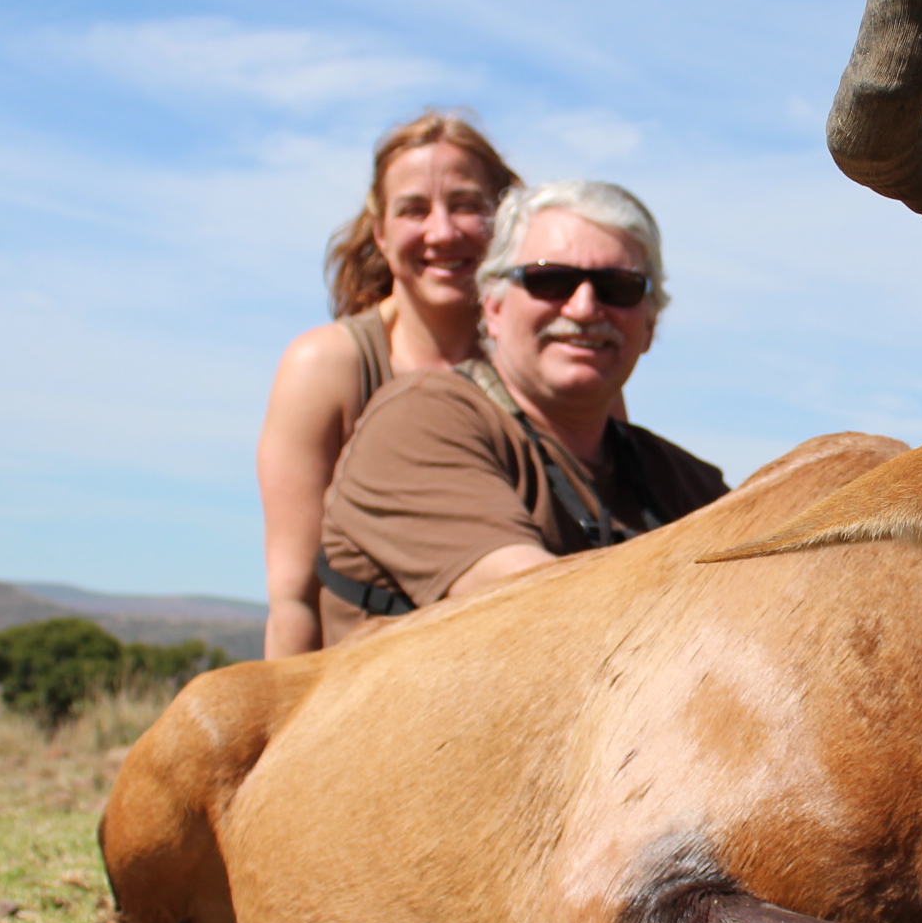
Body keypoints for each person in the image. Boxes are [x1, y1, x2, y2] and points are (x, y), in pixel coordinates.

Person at [314, 180, 729, 647]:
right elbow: (540, 610)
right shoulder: (416, 423)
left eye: (619, 287)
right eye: (550, 280)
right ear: (491, 306)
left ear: (650, 324)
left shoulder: (687, 486)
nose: (585, 306)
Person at [256, 112, 520, 658]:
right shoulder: (327, 365)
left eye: (468, 205)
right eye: (414, 209)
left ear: (505, 221)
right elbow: (294, 599)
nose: (442, 231)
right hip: (368, 703)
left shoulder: (543, 365)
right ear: (380, 231)